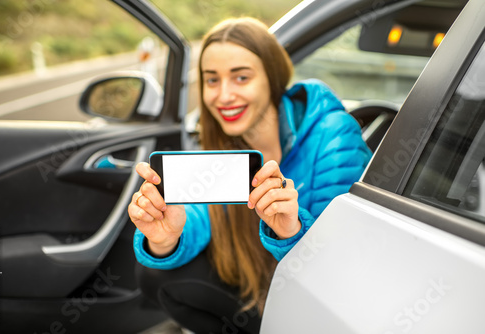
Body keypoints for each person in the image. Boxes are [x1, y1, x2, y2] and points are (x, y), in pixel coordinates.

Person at [128, 17, 372, 334]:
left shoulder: (334, 137)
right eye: (212, 81)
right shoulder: (223, 140)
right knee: (154, 273)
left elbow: (344, 261)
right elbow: (202, 216)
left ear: (272, 79)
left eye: (241, 78)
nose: (224, 96)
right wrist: (166, 238)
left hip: (327, 305)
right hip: (266, 285)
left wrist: (291, 230)